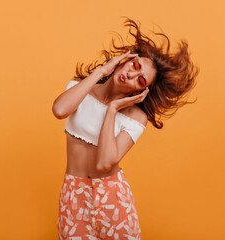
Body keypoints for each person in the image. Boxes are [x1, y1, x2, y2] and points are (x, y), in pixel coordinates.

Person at [52, 17, 199, 240]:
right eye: (135, 65)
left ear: (140, 92)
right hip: (74, 195)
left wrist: (112, 110)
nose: (131, 75)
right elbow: (59, 110)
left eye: (140, 81)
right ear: (125, 59)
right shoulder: (81, 88)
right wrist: (101, 72)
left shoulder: (136, 118)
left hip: (112, 198)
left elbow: (103, 164)